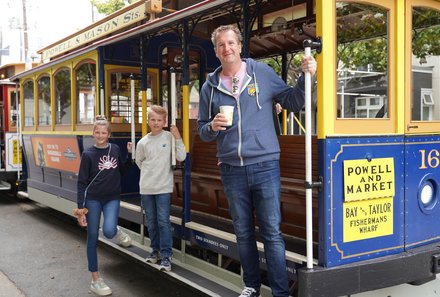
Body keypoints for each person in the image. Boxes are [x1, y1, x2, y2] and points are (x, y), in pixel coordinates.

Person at [197, 25, 317, 297]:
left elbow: (293, 101)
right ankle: (251, 286)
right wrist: (212, 127)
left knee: (272, 233)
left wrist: (306, 76)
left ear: (240, 46)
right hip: (231, 169)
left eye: (231, 43)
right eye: (221, 45)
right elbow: (202, 130)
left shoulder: (261, 73)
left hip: (265, 166)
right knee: (243, 233)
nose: (226, 49)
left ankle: (280, 292)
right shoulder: (209, 87)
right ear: (216, 51)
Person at [73, 115, 133, 296]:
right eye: (97, 132)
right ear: (93, 134)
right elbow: (82, 183)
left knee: (108, 231)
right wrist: (80, 209)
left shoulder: (114, 149)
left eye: (104, 132)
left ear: (108, 134)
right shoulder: (88, 154)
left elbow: (123, 171)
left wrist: (129, 155)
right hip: (92, 200)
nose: (100, 135)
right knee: (92, 237)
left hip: (112, 198)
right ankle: (96, 280)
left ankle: (116, 230)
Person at [135, 105, 186, 272]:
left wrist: (178, 137)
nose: (156, 123)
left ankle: (166, 255)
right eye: (153, 119)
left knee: (163, 221)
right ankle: (154, 250)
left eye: (159, 120)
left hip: (163, 187)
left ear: (164, 122)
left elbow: (181, 156)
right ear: (148, 121)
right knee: (151, 221)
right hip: (147, 188)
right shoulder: (143, 142)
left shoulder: (169, 137)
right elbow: (139, 162)